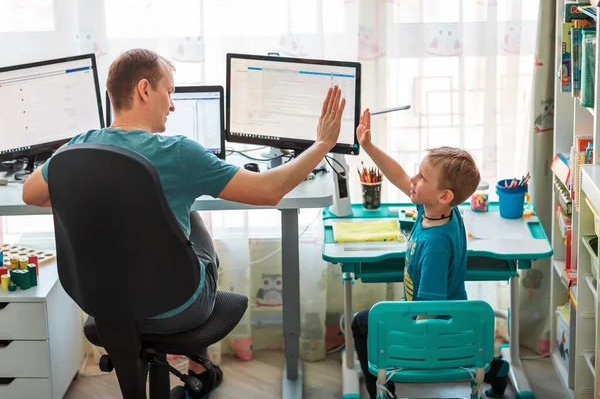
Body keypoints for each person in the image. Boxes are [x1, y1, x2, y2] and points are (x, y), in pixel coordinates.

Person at [22, 48, 346, 398]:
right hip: (175, 308)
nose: (172, 105)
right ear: (145, 90)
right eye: (170, 92)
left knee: (176, 219)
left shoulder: (79, 146)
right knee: (189, 220)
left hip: (104, 305)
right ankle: (199, 368)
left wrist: (95, 196)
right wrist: (322, 144)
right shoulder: (178, 153)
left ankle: (196, 367)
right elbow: (269, 191)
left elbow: (31, 193)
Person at [350, 108, 482, 398]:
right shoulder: (441, 210)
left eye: (422, 177)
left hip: (433, 329)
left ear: (444, 195)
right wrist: (368, 146)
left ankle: (381, 392)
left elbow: (428, 310)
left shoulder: (434, 245)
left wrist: (397, 326)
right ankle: (496, 369)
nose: (412, 178)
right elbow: (399, 175)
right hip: (450, 320)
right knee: (374, 317)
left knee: (362, 322)